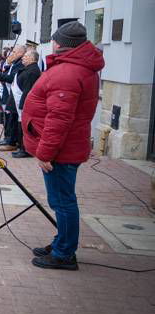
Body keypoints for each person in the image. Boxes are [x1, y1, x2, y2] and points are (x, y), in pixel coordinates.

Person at [23, 22, 104, 271]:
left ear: (61, 44)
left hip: (60, 151)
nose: (53, 43)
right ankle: (62, 242)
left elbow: (59, 119)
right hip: (66, 147)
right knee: (62, 200)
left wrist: (45, 153)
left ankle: (64, 253)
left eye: (55, 39)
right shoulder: (74, 67)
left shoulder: (68, 73)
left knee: (62, 202)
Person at [11, 49, 41, 159]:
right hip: (21, 101)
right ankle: (21, 147)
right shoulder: (28, 69)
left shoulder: (33, 71)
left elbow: (28, 90)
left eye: (26, 56)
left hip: (25, 103)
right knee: (21, 125)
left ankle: (25, 149)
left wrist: (23, 104)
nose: (23, 57)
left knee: (25, 127)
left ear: (32, 58)